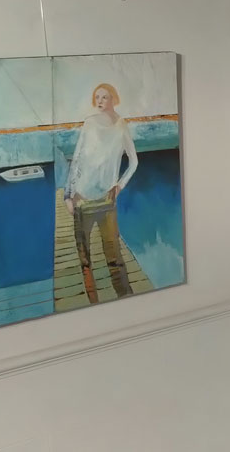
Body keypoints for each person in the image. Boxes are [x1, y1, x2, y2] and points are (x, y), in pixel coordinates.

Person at [64, 83, 138, 303]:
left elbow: (134, 161)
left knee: (115, 258)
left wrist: (120, 185)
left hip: (107, 200)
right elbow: (77, 159)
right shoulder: (90, 123)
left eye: (105, 97)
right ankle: (92, 305)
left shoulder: (121, 125)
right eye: (97, 97)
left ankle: (127, 300)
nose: (100, 101)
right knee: (85, 260)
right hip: (82, 199)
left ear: (114, 98)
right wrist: (68, 195)